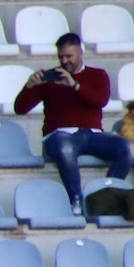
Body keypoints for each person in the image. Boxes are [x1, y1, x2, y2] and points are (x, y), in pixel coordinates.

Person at [15, 33, 131, 216]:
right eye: (61, 56)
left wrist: (75, 85)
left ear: (80, 53)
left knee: (126, 148)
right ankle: (75, 200)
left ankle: (107, 193)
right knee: (64, 146)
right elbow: (20, 108)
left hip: (93, 135)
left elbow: (100, 100)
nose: (64, 61)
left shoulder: (97, 75)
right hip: (60, 135)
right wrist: (29, 87)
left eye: (69, 56)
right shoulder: (49, 79)